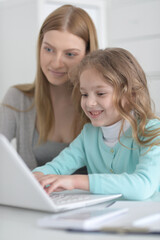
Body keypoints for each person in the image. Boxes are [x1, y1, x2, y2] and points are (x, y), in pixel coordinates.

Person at [33, 48, 160, 200]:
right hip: (105, 217)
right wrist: (36, 176)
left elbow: (143, 186)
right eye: (84, 94)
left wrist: (77, 181)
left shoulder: (152, 131)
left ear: (130, 95)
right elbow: (57, 167)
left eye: (100, 93)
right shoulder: (89, 135)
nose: (89, 103)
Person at [0, 5, 98, 171]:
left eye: (70, 54)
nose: (55, 62)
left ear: (88, 55)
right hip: (30, 197)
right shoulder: (18, 98)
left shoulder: (101, 103)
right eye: (48, 49)